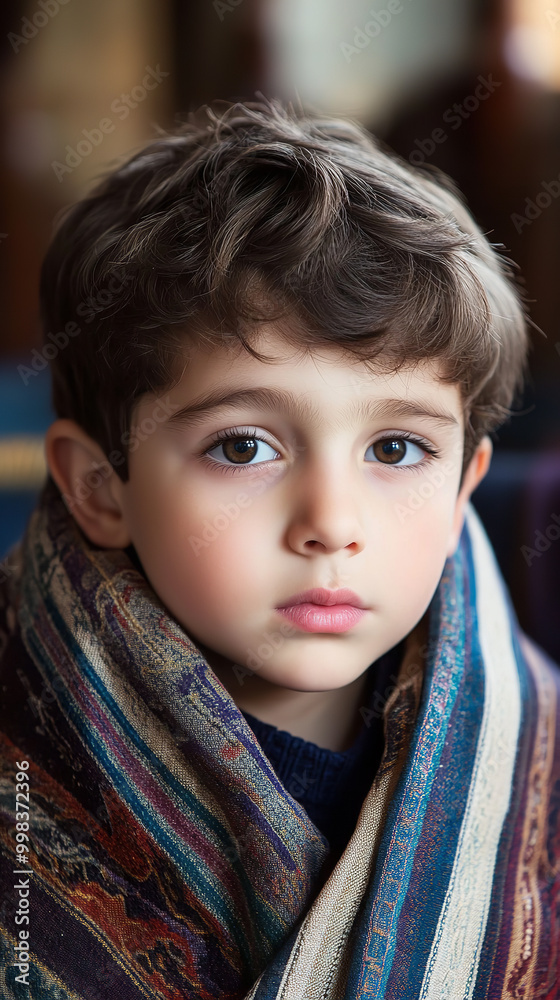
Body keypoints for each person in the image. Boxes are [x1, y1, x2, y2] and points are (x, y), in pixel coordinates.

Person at [0, 98, 558, 999]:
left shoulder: (533, 751)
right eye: (243, 447)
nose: (331, 523)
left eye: (396, 449)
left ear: (463, 491)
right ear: (101, 486)